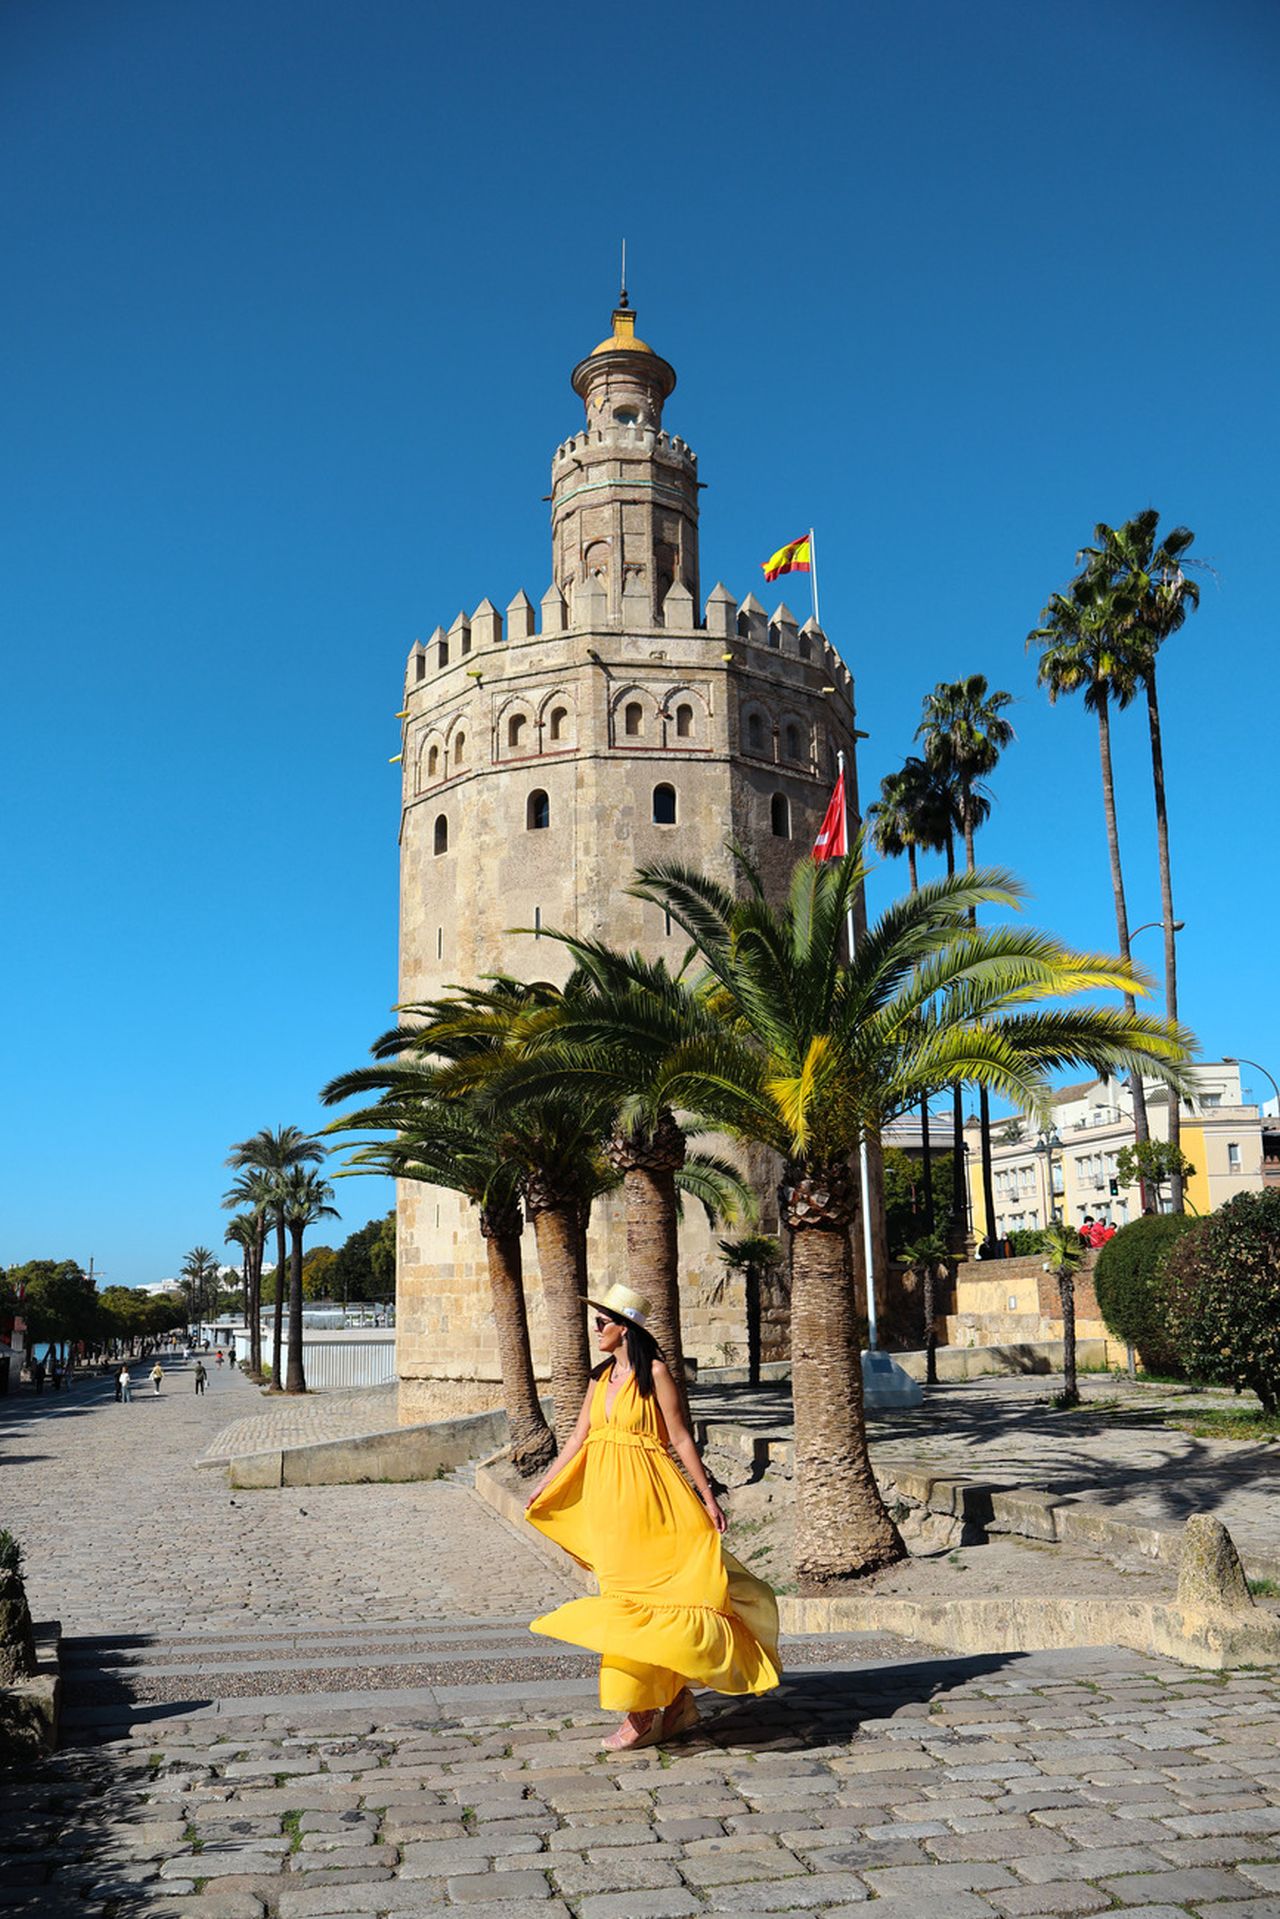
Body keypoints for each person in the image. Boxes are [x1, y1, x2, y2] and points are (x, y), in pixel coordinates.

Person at [524, 1282, 781, 1753]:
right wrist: (546, 1482)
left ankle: (642, 1714)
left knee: (663, 1602)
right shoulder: (598, 1378)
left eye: (602, 1322)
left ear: (624, 1328)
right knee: (626, 1606)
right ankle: (674, 1703)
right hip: (610, 1509)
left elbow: (681, 1438)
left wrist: (708, 1497)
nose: (595, 1329)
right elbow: (578, 1438)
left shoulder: (656, 1373)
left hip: (655, 1501)